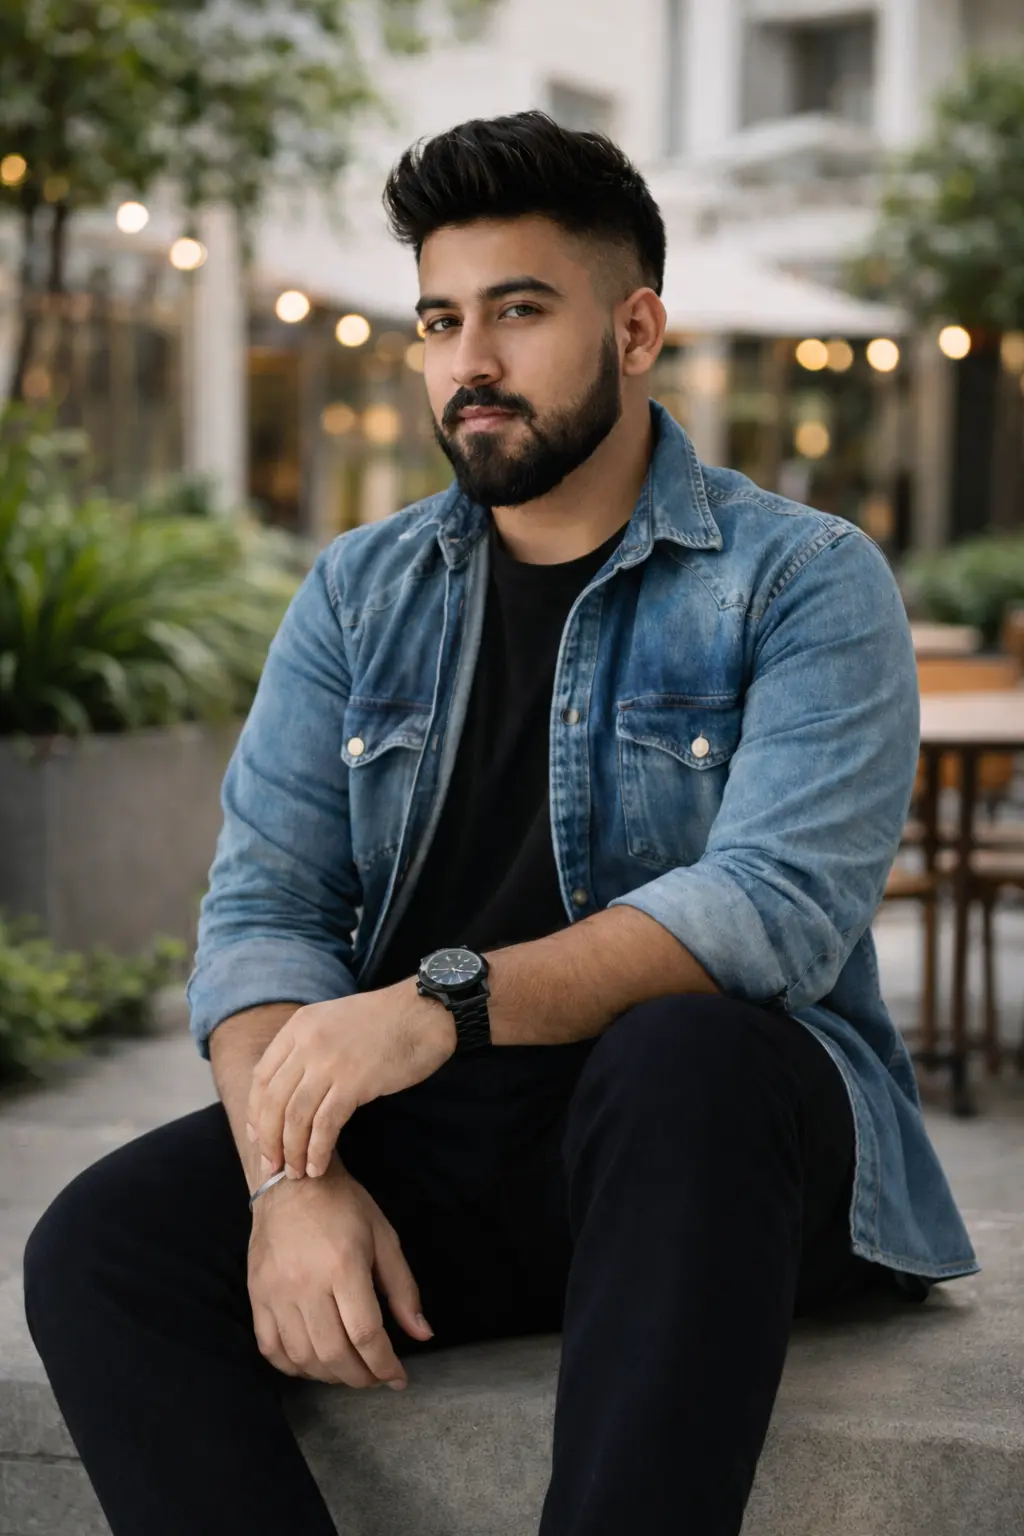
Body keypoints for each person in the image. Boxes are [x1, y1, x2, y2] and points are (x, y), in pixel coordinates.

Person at [23, 112, 978, 1536]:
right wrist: (292, 1179)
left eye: (519, 313)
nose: (467, 364)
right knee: (98, 1250)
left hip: (716, 1160)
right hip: (459, 1147)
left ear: (637, 326)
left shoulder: (802, 579)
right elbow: (263, 911)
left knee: (685, 1055)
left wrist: (435, 1006)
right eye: (439, 320)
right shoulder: (358, 592)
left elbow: (773, 906)